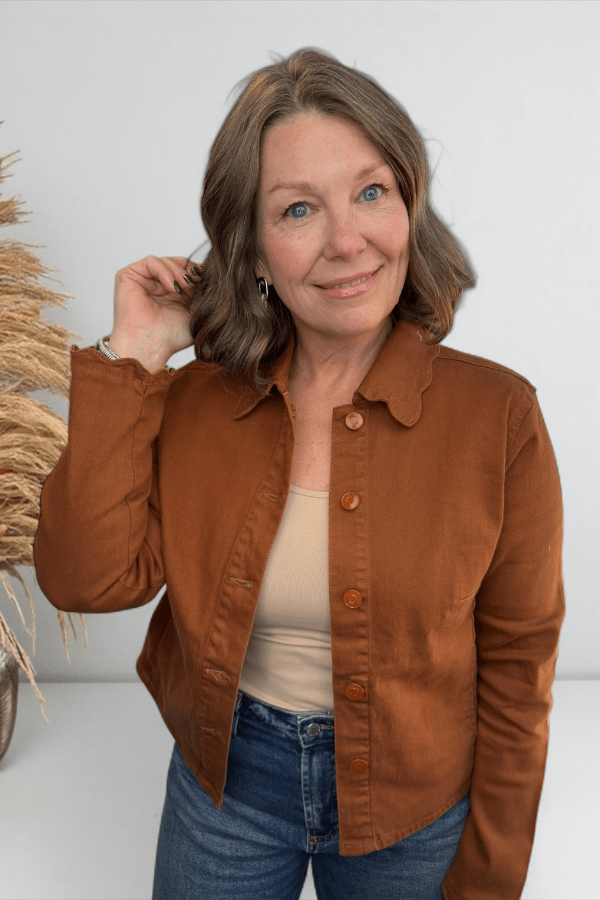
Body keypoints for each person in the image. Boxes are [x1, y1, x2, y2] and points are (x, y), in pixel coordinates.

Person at [33, 48, 565, 900]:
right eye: (298, 210)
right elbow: (83, 579)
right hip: (227, 792)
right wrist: (131, 359)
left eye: (370, 192)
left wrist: (490, 878)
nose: (347, 240)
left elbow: (518, 665)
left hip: (416, 808)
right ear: (251, 249)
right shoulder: (196, 402)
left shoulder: (499, 417)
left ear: (408, 206)